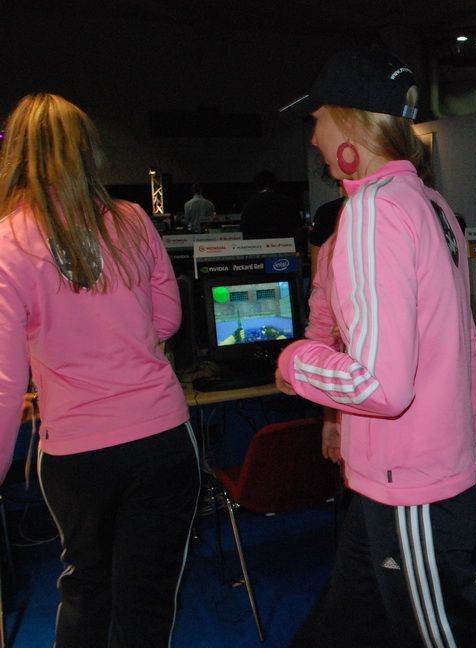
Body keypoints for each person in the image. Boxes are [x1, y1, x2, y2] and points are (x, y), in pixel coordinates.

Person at [274, 47, 476, 647]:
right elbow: (463, 349)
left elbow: (381, 385)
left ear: (349, 121)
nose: (313, 136)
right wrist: (468, 451)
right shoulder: (430, 204)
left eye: (317, 119)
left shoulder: (374, 211)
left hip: (409, 485)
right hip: (403, 475)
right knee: (343, 625)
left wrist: (294, 363)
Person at [0, 93, 199, 645]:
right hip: (161, 438)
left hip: (77, 451)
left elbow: (5, 382)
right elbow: (167, 319)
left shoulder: (7, 242)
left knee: (86, 589)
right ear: (89, 153)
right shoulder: (132, 219)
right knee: (147, 598)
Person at [240, 169, 304, 242]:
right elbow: (298, 227)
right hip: (285, 244)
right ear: (274, 184)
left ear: (257, 185)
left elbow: (245, 230)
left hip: (259, 245)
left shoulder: (250, 204)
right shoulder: (287, 202)